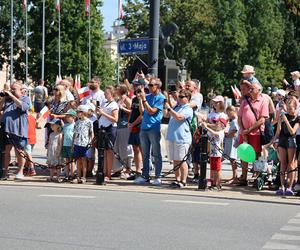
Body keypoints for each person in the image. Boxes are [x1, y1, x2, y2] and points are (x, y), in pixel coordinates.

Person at [134, 78, 166, 185]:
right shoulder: (148, 97)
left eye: (152, 85)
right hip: (144, 127)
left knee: (156, 153)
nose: (149, 87)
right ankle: (145, 175)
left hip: (154, 128)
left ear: (158, 86)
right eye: (149, 85)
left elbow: (152, 111)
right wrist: (140, 100)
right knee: (145, 154)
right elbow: (143, 112)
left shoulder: (161, 98)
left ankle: (158, 176)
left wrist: (143, 100)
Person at [238, 81, 269, 186]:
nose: (250, 91)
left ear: (259, 91)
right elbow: (239, 117)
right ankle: (243, 177)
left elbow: (262, 119)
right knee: (244, 155)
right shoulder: (245, 101)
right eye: (249, 89)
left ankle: (257, 177)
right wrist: (242, 130)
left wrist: (249, 129)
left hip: (256, 133)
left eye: (252, 89)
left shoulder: (263, 102)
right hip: (245, 133)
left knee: (256, 155)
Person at [0, 81, 31, 180]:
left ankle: (20, 172)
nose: (12, 91)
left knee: (19, 151)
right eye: (11, 89)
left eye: (14, 89)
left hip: (18, 130)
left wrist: (12, 96)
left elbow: (23, 106)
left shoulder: (25, 98)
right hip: (6, 130)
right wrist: (4, 98)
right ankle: (5, 173)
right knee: (6, 151)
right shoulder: (8, 100)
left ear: (21, 90)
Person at [164, 89, 193, 188]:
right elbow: (166, 115)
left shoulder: (188, 109)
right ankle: (177, 179)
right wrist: (166, 105)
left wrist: (170, 109)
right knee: (175, 160)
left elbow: (179, 117)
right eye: (179, 97)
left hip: (182, 138)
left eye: (181, 97)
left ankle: (184, 180)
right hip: (173, 137)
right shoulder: (177, 106)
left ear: (187, 98)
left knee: (182, 160)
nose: (179, 99)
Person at [273, 98, 299, 196]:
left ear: (295, 108)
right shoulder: (282, 116)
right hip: (282, 141)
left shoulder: (297, 118)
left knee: (291, 164)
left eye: (291, 108)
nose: (288, 110)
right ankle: (282, 186)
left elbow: (293, 132)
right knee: (282, 163)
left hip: (291, 141)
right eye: (287, 108)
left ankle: (290, 187)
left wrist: (286, 121)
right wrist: (274, 140)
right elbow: (278, 131)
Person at [97, 86, 119, 182]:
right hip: (102, 129)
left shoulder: (114, 104)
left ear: (112, 94)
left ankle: (108, 174)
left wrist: (103, 113)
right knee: (103, 152)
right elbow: (100, 115)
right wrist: (98, 112)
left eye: (107, 93)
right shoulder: (104, 103)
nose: (105, 94)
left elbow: (115, 119)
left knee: (109, 152)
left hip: (110, 129)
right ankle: (103, 171)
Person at [202, 114, 227, 190]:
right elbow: (208, 134)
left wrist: (206, 126)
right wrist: (204, 126)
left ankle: (218, 184)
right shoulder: (213, 131)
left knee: (217, 170)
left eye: (217, 123)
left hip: (217, 154)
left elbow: (215, 134)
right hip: (212, 154)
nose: (215, 125)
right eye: (215, 123)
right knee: (213, 169)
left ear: (222, 125)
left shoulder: (221, 132)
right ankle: (212, 183)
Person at [113, 84, 133, 177]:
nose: (116, 90)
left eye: (117, 89)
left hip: (125, 125)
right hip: (118, 126)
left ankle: (127, 168)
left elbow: (132, 111)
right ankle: (118, 169)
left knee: (125, 148)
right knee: (117, 148)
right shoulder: (117, 100)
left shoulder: (127, 100)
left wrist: (123, 108)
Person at [72, 105, 93, 184]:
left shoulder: (89, 122)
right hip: (77, 143)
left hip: (85, 144)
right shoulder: (77, 122)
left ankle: (84, 176)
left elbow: (91, 133)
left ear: (83, 113)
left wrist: (90, 143)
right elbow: (74, 133)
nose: (77, 113)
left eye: (78, 112)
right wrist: (72, 144)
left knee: (84, 160)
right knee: (78, 161)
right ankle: (78, 176)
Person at [128, 81, 144, 179]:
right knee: (135, 149)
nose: (136, 89)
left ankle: (144, 170)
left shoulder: (144, 99)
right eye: (134, 86)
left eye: (137, 87)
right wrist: (129, 122)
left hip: (140, 126)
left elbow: (142, 114)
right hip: (133, 127)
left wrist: (141, 99)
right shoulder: (134, 99)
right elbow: (132, 111)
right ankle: (138, 171)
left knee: (142, 149)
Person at [224, 105, 239, 184]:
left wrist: (227, 135)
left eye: (228, 113)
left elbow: (234, 132)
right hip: (231, 142)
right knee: (232, 160)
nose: (228, 115)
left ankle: (235, 177)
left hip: (233, 142)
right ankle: (234, 176)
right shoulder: (233, 121)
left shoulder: (234, 121)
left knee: (233, 160)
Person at [62, 109, 76, 181]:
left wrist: (73, 145)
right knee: (67, 161)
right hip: (65, 145)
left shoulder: (75, 125)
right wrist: (62, 145)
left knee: (72, 160)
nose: (67, 118)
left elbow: (75, 136)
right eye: (66, 116)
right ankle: (67, 175)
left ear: (73, 117)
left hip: (71, 145)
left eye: (68, 116)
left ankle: (72, 175)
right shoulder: (65, 126)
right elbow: (63, 136)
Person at [24, 108, 37, 176]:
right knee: (27, 154)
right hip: (33, 138)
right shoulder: (33, 118)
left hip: (27, 138)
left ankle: (32, 168)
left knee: (28, 154)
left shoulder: (25, 118)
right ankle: (26, 168)